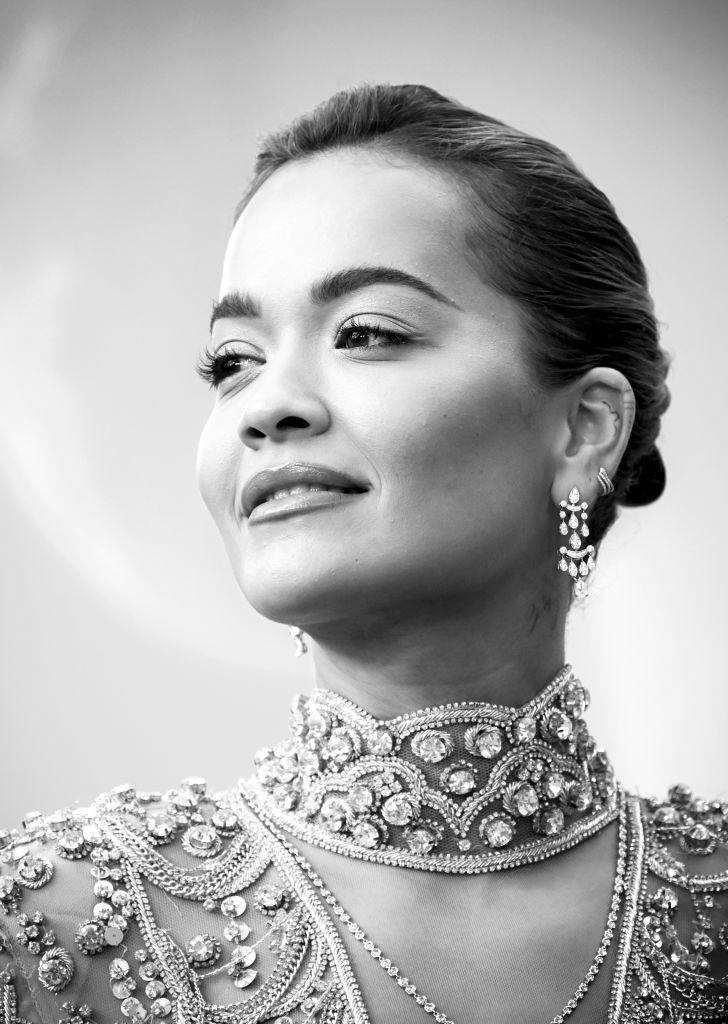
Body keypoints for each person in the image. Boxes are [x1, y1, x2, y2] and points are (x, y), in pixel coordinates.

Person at [1, 82, 725, 1024]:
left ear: (585, 429)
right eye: (233, 362)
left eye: (367, 333)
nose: (267, 405)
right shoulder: (60, 926)